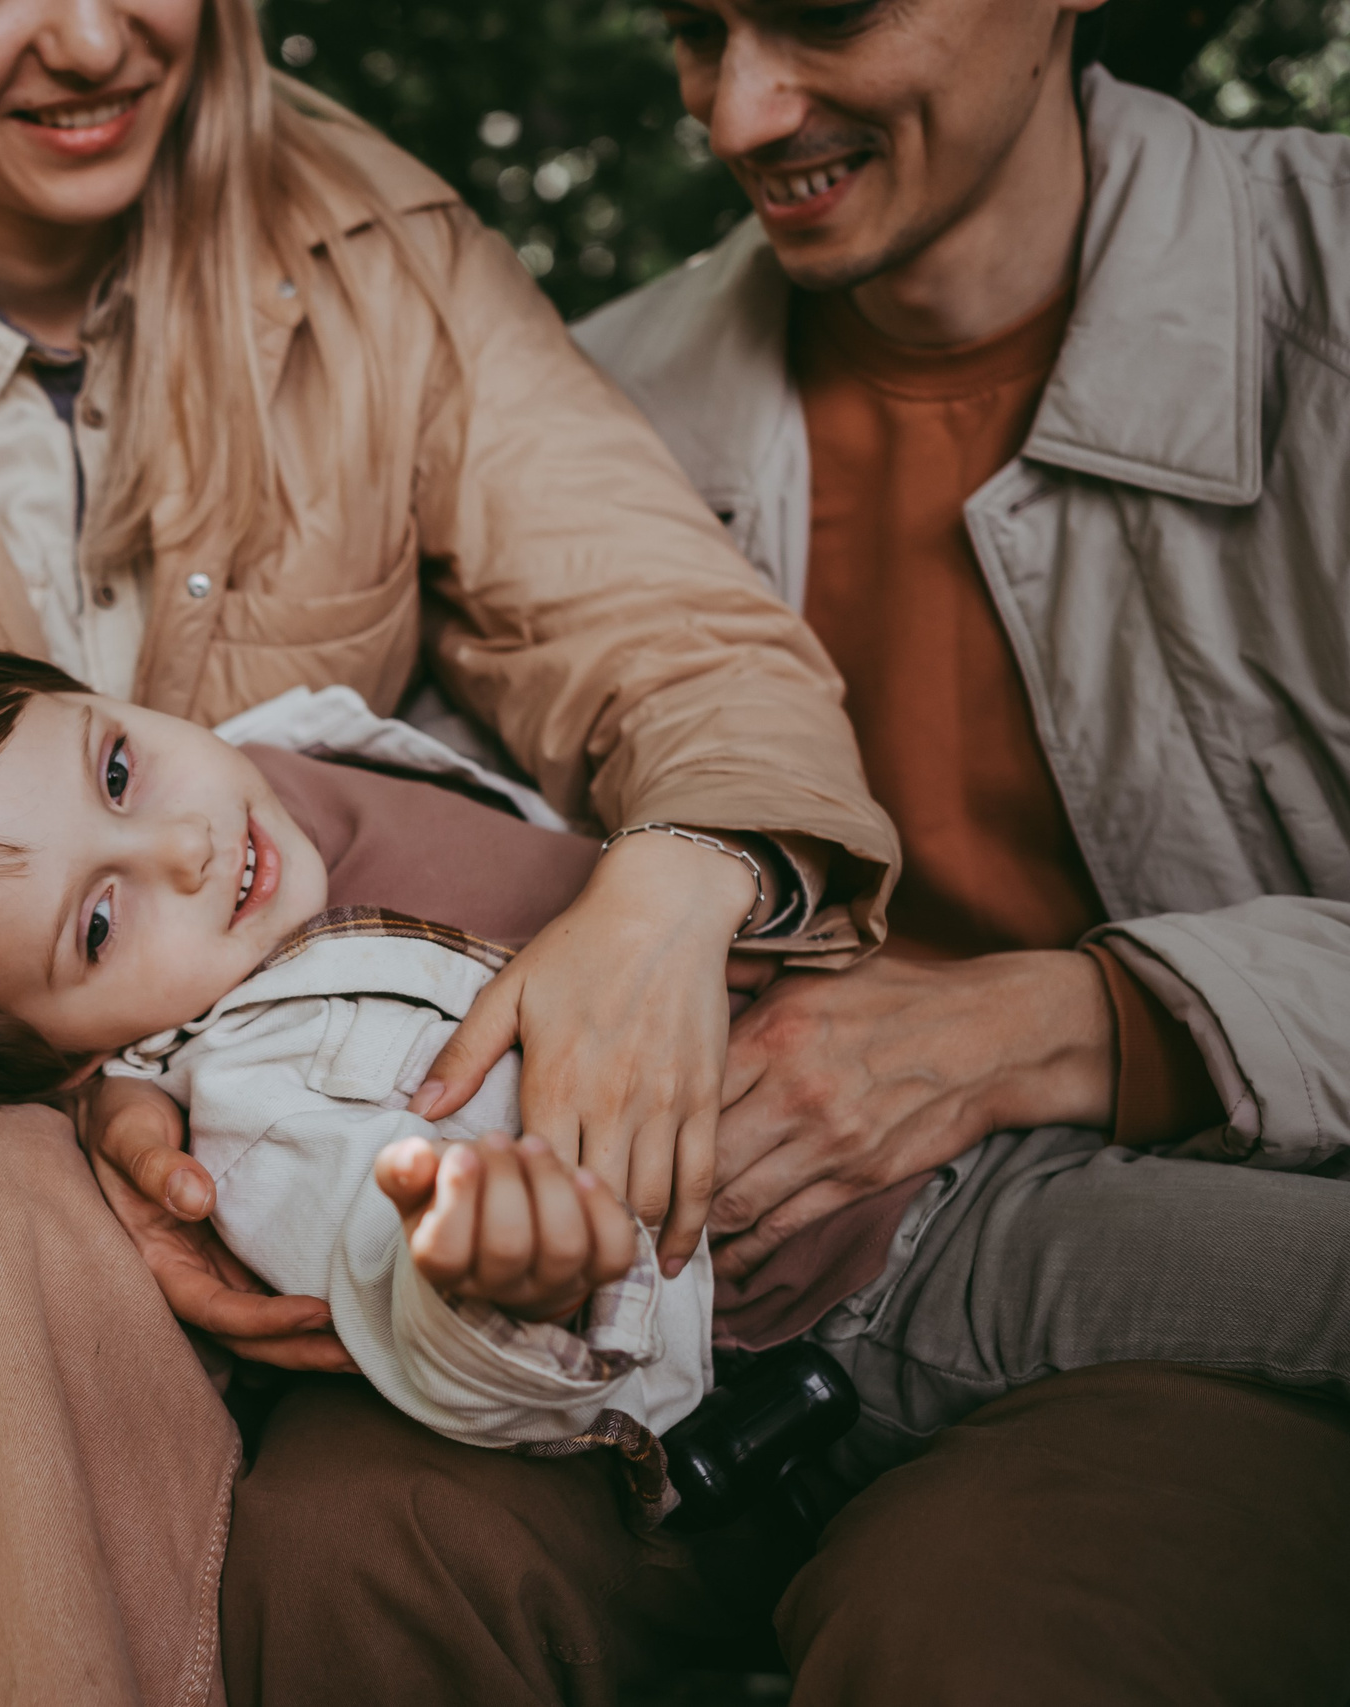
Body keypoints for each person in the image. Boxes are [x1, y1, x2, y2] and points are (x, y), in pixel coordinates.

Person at [0, 0, 896, 1695]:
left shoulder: (378, 255)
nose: (88, 36)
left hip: (347, 1094)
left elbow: (669, 634)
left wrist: (676, 878)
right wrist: (117, 1105)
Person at [221, 3, 1350, 1703]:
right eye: (696, 28)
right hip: (675, 1313)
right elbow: (417, 832)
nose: (744, 110)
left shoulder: (1319, 290)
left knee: (991, 1634)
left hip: (1165, 1290)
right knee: (344, 1547)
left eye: (824, 13)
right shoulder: (604, 399)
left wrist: (1047, 1027)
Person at [0, 648, 1350, 1490]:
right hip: (890, 1274)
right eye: (99, 926)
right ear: (69, 1054)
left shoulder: (280, 762)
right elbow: (402, 1288)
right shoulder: (253, 1107)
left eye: (117, 763)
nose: (183, 843)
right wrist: (493, 1280)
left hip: (946, 1093)